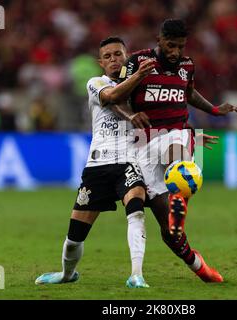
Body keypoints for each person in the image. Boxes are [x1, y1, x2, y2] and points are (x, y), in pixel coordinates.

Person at [108, 19, 237, 282]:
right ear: (159, 40)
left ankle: (179, 195)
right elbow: (115, 98)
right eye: (170, 46)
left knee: (179, 153)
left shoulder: (187, 66)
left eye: (180, 47)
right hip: (143, 143)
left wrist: (214, 110)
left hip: (176, 132)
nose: (175, 52)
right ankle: (199, 266)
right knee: (171, 233)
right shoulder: (136, 62)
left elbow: (188, 93)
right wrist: (132, 115)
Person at [35, 37, 155, 288]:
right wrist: (139, 75)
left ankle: (137, 275)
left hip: (128, 162)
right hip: (98, 167)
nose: (113, 60)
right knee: (75, 236)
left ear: (127, 56)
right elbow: (112, 96)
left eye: (118, 55)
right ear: (101, 63)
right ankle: (67, 274)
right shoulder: (96, 83)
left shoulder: (140, 88)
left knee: (136, 210)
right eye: (108, 56)